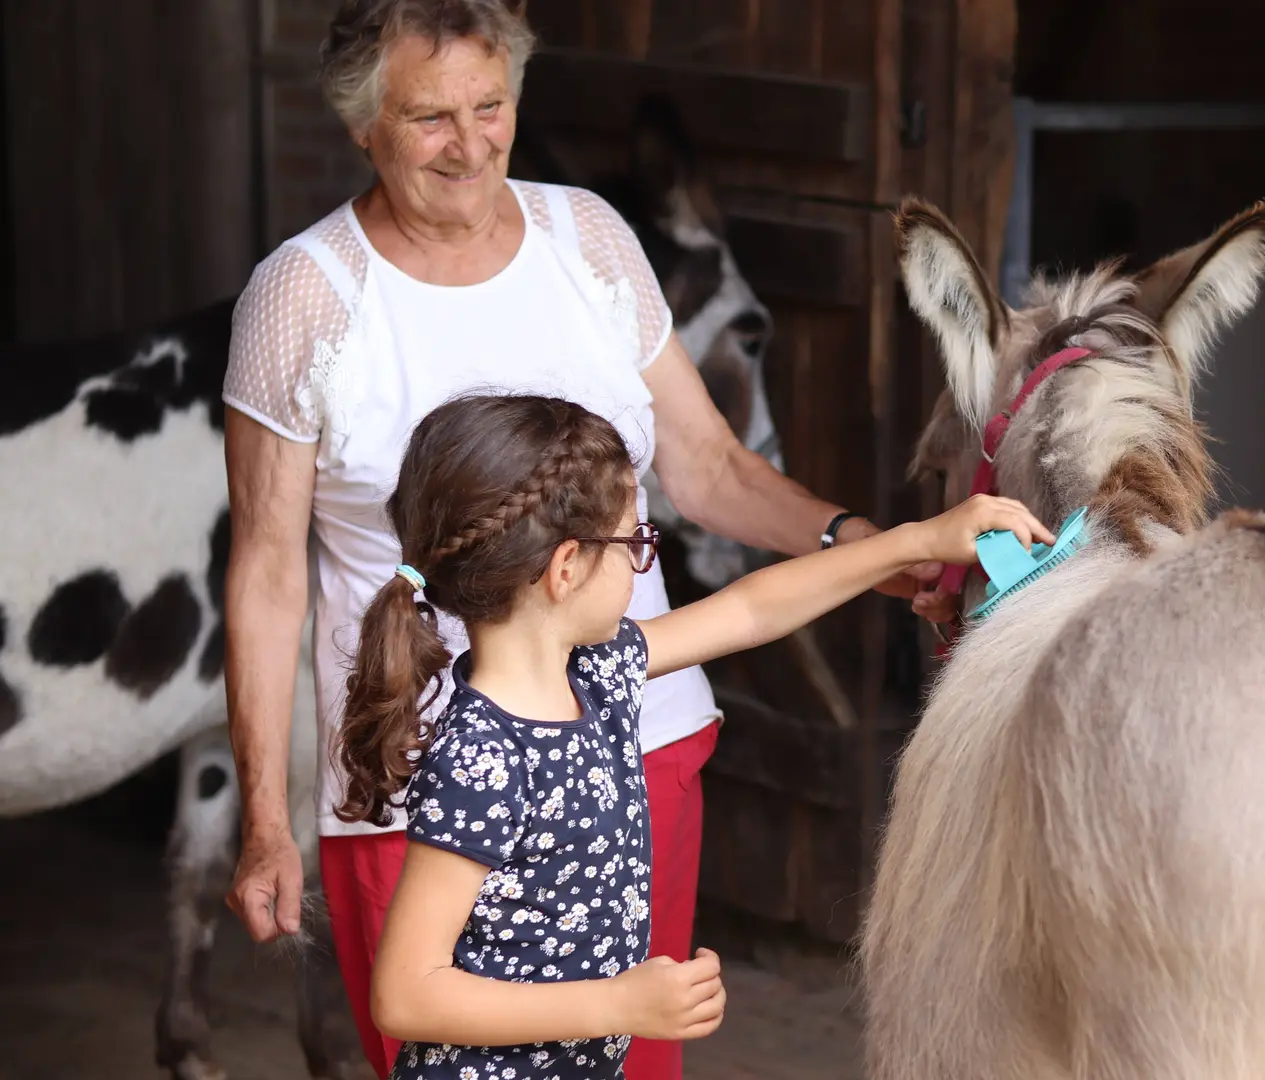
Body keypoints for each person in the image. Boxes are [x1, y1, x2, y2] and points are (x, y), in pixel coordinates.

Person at [217, 2, 936, 1076]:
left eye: (490, 106)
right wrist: (266, 817)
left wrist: (861, 543)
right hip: (413, 776)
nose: (470, 146)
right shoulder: (304, 299)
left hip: (630, 748)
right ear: (362, 125)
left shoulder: (587, 239)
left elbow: (709, 470)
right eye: (428, 120)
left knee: (631, 1054)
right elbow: (270, 575)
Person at [337, 394, 1047, 1080]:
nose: (645, 558)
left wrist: (916, 540)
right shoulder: (483, 757)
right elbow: (406, 994)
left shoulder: (594, 676)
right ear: (566, 568)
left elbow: (747, 611)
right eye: (635, 542)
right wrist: (615, 1003)